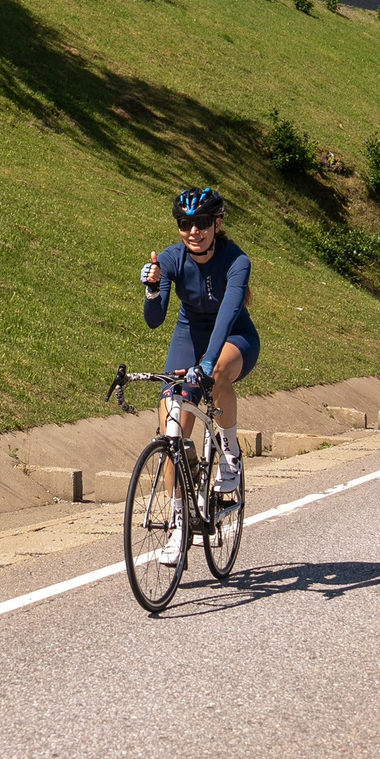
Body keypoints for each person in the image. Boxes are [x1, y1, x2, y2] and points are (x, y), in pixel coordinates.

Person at [140, 186, 259, 521]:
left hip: (234, 334)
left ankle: (230, 453)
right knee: (171, 428)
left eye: (203, 222)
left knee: (217, 372)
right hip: (188, 335)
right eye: (185, 222)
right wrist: (152, 290)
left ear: (217, 224)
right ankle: (179, 520)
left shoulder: (236, 261)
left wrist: (206, 362)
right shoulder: (169, 259)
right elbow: (155, 320)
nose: (194, 231)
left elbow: (228, 314)